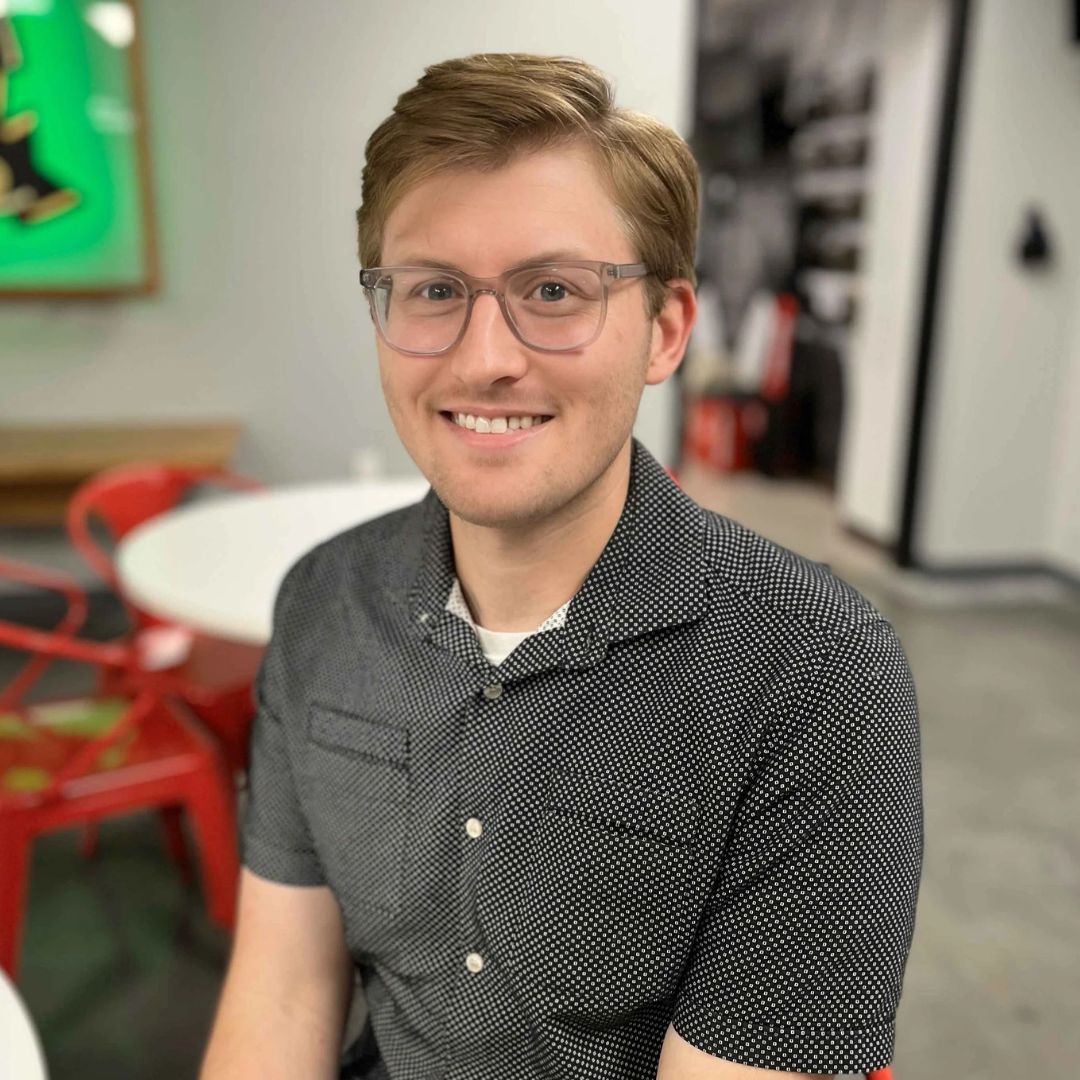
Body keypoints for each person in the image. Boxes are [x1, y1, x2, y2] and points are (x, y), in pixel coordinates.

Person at [200, 53, 922, 1080]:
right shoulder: (324, 604)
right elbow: (282, 990)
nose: (485, 357)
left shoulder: (810, 672)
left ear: (664, 330)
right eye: (433, 289)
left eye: (552, 290)